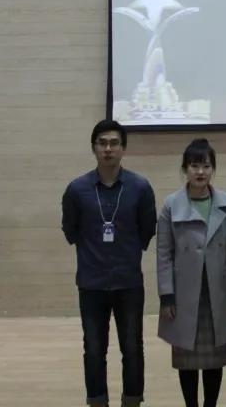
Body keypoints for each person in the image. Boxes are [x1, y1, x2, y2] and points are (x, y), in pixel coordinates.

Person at [61, 119, 157, 407]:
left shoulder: (140, 187)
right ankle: (97, 401)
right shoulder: (77, 189)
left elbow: (147, 230)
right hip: (91, 283)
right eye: (102, 143)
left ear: (123, 148)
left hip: (128, 282)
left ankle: (132, 401)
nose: (108, 149)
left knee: (132, 348)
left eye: (114, 143)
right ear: (94, 148)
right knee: (93, 349)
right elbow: (70, 231)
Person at [156, 139, 226, 407]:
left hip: (217, 291)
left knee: (215, 358)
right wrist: (166, 295)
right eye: (194, 165)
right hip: (184, 293)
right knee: (186, 359)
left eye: (206, 166)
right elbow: (163, 253)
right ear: (185, 168)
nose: (200, 172)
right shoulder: (171, 205)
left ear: (212, 169)